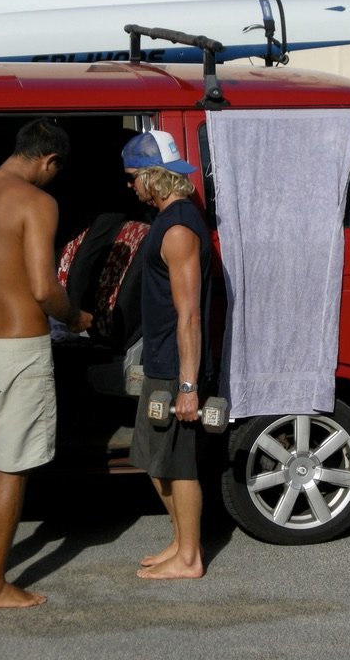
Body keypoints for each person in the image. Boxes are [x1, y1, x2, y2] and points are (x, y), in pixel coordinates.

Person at [0, 118, 92, 608]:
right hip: (19, 349)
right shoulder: (37, 202)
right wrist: (77, 317)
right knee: (12, 469)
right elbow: (43, 289)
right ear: (49, 161)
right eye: (55, 170)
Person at [122, 129, 212, 580]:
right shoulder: (171, 219)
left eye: (132, 176)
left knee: (177, 464)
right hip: (161, 360)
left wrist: (189, 386)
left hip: (178, 367)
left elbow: (190, 315)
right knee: (155, 461)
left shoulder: (177, 228)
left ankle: (190, 558)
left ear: (152, 177)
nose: (130, 185)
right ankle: (180, 541)